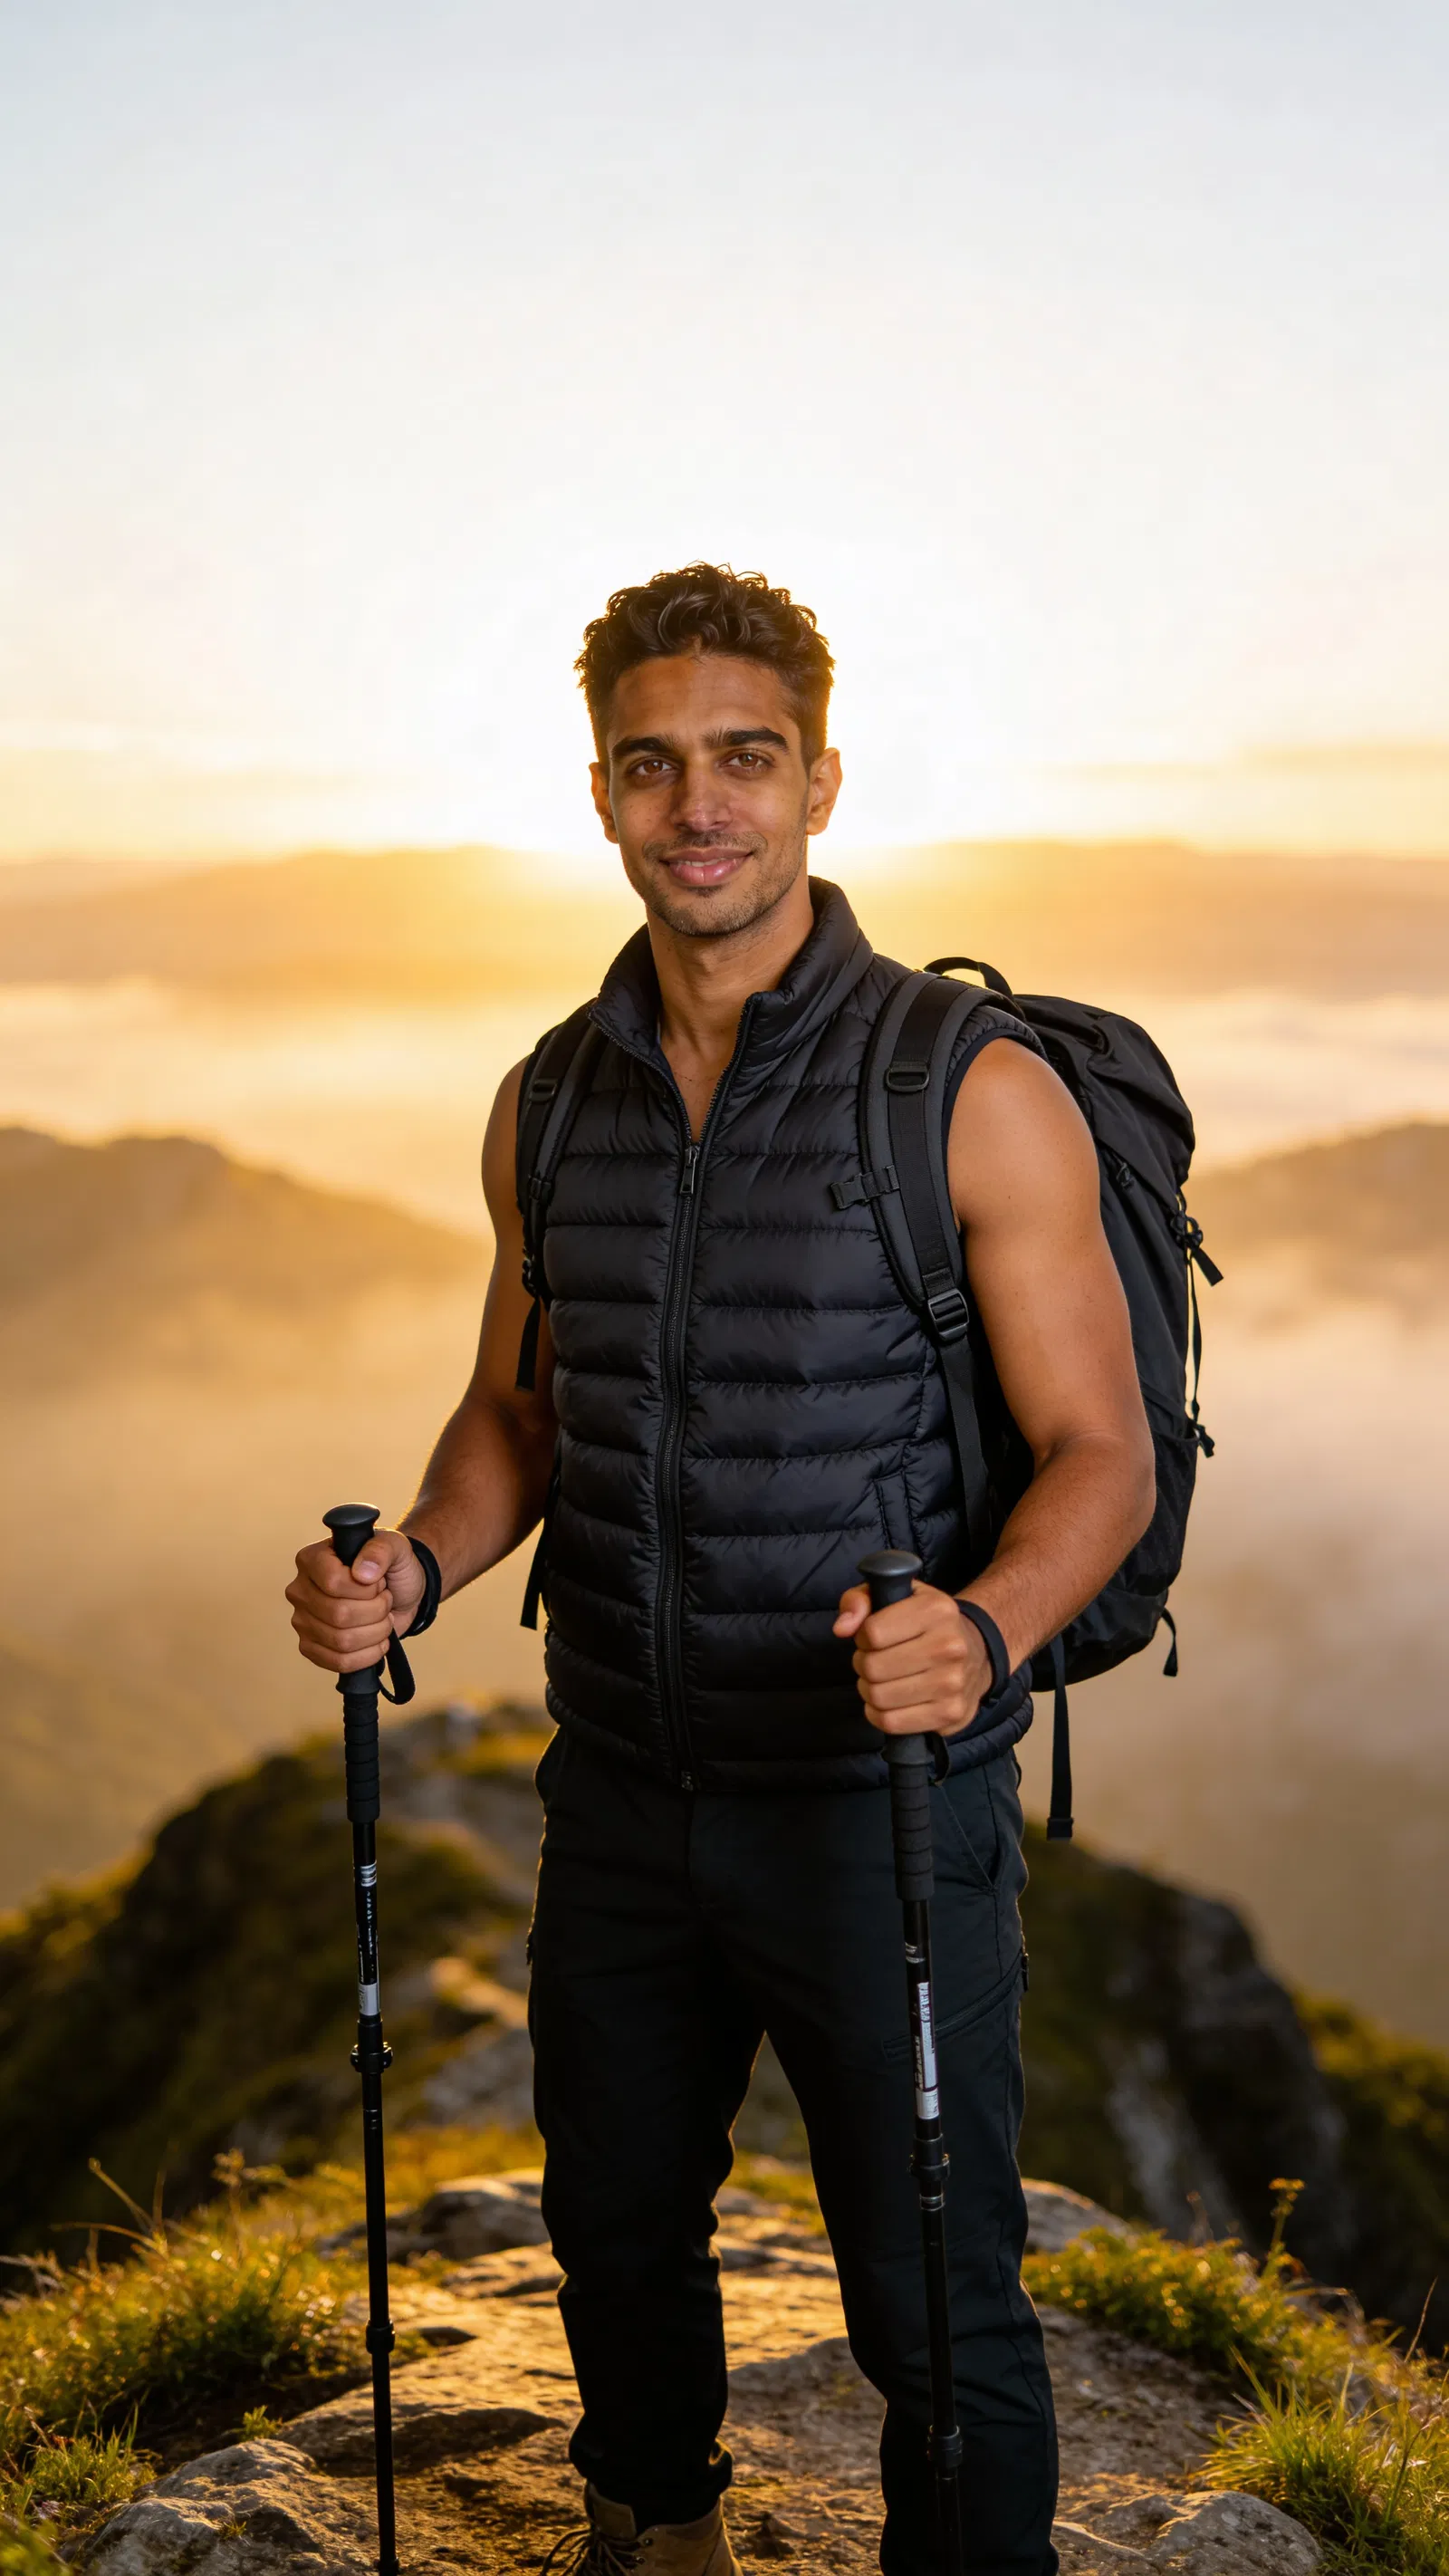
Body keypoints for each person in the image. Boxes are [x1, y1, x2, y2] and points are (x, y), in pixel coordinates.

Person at [287, 564, 1155, 2576]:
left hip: (876, 1809)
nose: (700, 804)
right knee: (612, 2232)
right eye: (652, 762)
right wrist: (413, 1563)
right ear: (598, 794)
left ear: (820, 782)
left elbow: (1099, 1454)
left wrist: (987, 1633)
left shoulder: (965, 1088)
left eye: (742, 758)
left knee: (933, 2302)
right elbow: (517, 1406)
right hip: (619, 1791)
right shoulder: (548, 1098)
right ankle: (654, 2541)